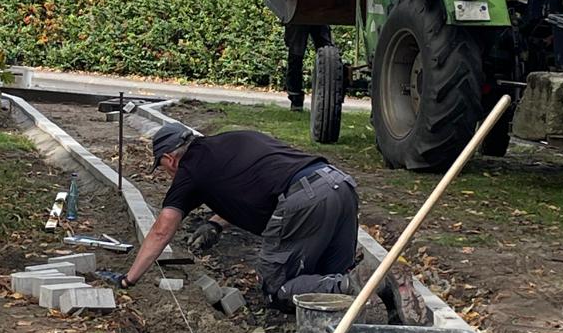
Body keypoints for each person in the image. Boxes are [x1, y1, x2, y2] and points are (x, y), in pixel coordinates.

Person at [104, 122, 419, 320]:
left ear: (169, 158)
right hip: (338, 184)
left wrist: (128, 279)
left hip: (305, 199)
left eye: (162, 168)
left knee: (278, 289)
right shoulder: (231, 141)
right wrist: (216, 223)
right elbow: (253, 183)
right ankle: (386, 298)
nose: (166, 174)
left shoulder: (189, 172)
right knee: (325, 282)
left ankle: (361, 281)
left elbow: (162, 230)